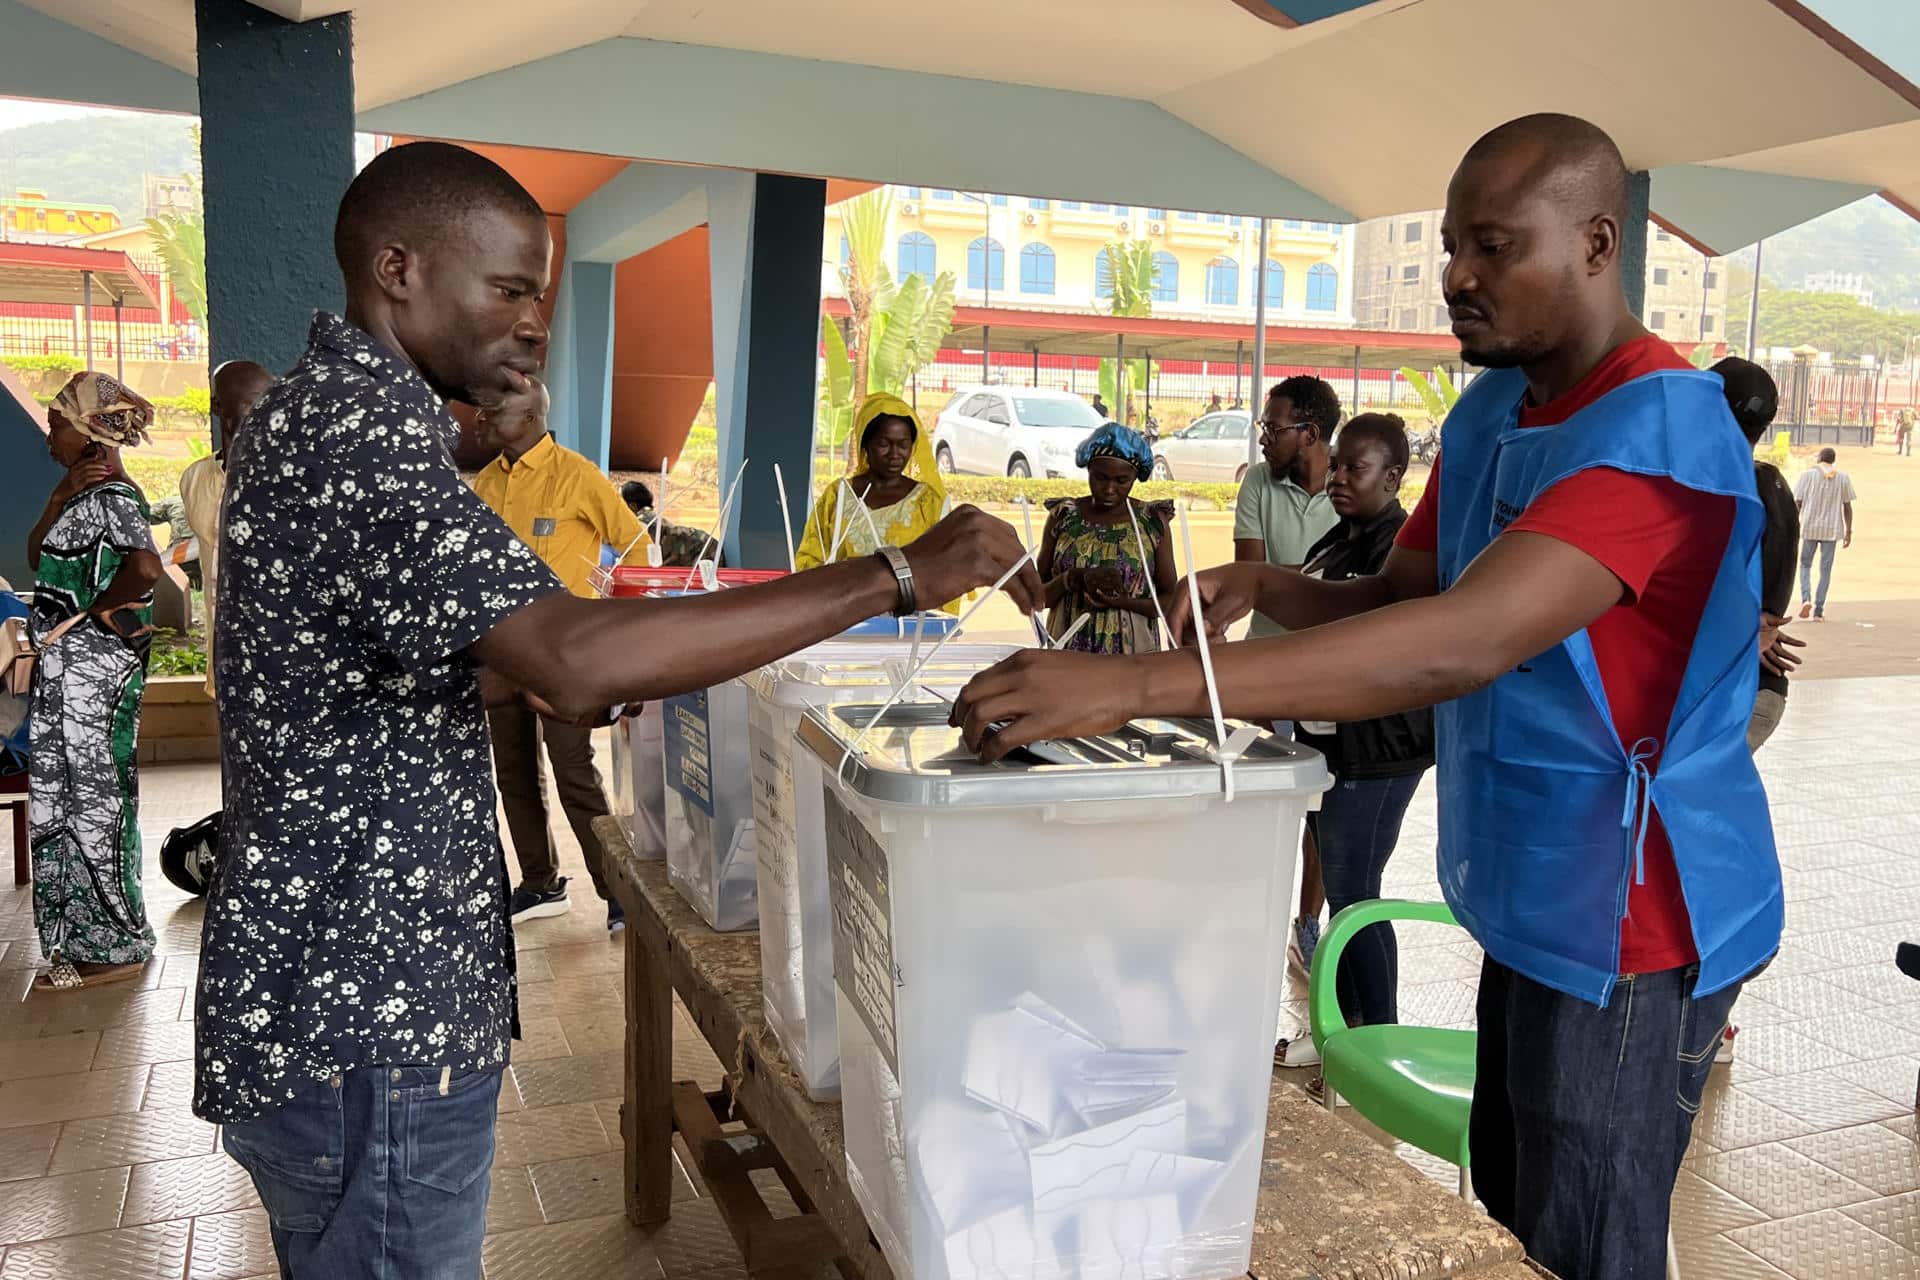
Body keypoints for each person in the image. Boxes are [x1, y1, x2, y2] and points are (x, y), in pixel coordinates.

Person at [950, 114, 1779, 1280]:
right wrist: (1270, 581)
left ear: (1598, 243)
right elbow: (1406, 590)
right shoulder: (1499, 409)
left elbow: (1462, 640)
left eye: (1493, 246)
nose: (1457, 276)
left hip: (1640, 914)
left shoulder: (1662, 434)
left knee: (1586, 1237)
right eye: (1450, 245)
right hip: (1541, 884)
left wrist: (1137, 683)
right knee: (1512, 1201)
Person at [194, 140, 1038, 1280]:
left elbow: (476, 659)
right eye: (506, 290)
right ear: (397, 269)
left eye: (538, 295)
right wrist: (892, 578)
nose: (533, 323)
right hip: (370, 1018)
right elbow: (568, 660)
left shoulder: (347, 417)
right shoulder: (359, 432)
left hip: (347, 994)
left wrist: (614, 641)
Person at [1270, 414, 1433, 1094]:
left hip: (1379, 751)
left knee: (1356, 893)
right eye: (1335, 466)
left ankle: (1376, 1040)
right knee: (1346, 888)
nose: (1336, 478)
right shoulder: (1347, 535)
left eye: (1353, 469)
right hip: (1331, 743)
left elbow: (1361, 637)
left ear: (1393, 478)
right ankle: (1348, 1030)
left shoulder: (1399, 547)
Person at [471, 377, 652, 930]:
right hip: (499, 653)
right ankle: (540, 882)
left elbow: (637, 547)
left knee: (574, 769)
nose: (481, 419)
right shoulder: (483, 482)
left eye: (492, 411)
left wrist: (610, 616)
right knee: (514, 772)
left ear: (528, 416)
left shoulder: (578, 476)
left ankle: (617, 892)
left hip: (563, 655)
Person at [24, 372, 164, 991]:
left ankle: (112, 945)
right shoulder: (80, 493)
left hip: (91, 677)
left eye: (56, 423)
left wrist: (101, 614)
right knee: (70, 799)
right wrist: (57, 497)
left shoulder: (113, 496)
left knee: (95, 804)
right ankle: (86, 939)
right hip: (70, 673)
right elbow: (38, 556)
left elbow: (146, 569)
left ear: (87, 433)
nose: (49, 435)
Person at [1234, 374, 1339, 986]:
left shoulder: (1351, 483)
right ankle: (1250, 912)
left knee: (1321, 814)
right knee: (1257, 801)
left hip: (1327, 676)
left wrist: (1286, 579)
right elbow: (1252, 576)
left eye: (1275, 428)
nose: (1266, 438)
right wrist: (1315, 580)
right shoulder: (1258, 482)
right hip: (1264, 672)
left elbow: (1363, 579)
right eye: (1265, 427)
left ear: (1312, 433)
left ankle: (1307, 922)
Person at [1714, 358, 1802, 753]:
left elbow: (1763, 619)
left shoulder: (1746, 489)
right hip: (1749, 690)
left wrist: (1757, 628)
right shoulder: (1764, 483)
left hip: (1735, 692)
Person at [795, 393, 950, 605]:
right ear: (865, 445)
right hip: (842, 619)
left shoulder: (929, 504)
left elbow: (946, 572)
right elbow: (809, 559)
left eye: (903, 445)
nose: (894, 454)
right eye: (884, 444)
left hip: (909, 624)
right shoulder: (838, 496)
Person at [1037, 422, 1176, 654]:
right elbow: (1038, 596)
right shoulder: (1064, 517)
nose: (1109, 489)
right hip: (1068, 653)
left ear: (1135, 477)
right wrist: (1070, 579)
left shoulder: (1150, 523)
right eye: (1101, 477)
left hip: (1132, 661)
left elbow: (1170, 599)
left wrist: (1124, 603)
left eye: (1122, 481)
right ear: (1088, 470)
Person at [181, 360, 274, 697]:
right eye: (251, 401)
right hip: (224, 650)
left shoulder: (287, 478)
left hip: (279, 652)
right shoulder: (195, 479)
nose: (262, 410)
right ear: (216, 405)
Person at [1794, 446, 1856, 620]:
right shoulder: (1843, 478)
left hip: (1809, 528)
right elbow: (1847, 506)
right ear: (1833, 460)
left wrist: (1793, 526)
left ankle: (1806, 599)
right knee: (1825, 570)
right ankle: (1818, 611)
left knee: (1805, 565)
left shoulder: (1806, 476)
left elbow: (1797, 503)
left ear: (1820, 458)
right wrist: (1848, 530)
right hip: (1832, 529)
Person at [619, 479, 708, 567]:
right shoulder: (649, 517)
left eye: (620, 504)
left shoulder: (642, 524)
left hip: (703, 552)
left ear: (632, 506)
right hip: (702, 547)